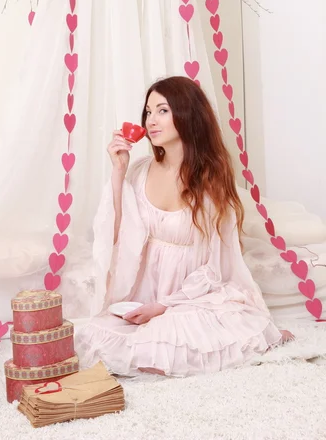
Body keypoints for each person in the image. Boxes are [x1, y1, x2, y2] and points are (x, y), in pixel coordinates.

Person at [75, 76, 294, 376]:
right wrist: (118, 172)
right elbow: (115, 238)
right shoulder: (139, 171)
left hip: (190, 295)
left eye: (162, 110)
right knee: (96, 338)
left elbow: (215, 268)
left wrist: (165, 305)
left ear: (187, 114)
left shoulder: (209, 184)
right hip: (144, 292)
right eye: (149, 112)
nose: (151, 120)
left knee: (175, 349)